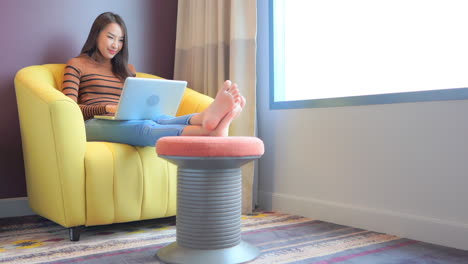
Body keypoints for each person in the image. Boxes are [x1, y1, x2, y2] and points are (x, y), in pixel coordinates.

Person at [62, 12, 245, 146]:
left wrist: (130, 110)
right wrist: (106, 108)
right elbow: (68, 111)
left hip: (123, 119)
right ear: (96, 35)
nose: (115, 45)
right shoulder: (76, 64)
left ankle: (206, 117)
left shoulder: (126, 70)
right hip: (92, 124)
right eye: (110, 37)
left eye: (121, 40)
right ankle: (209, 130)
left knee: (161, 118)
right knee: (146, 126)